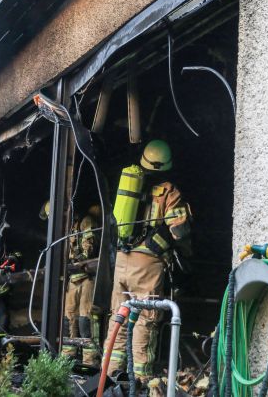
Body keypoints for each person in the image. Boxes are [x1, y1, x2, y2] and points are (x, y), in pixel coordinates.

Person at [104, 140, 191, 381]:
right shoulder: (168, 190)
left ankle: (108, 377)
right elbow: (179, 230)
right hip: (147, 264)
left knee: (118, 317)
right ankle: (141, 382)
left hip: (122, 260)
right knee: (145, 319)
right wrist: (185, 252)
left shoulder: (129, 184)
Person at [61, 204, 101, 366]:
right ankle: (67, 359)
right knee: (68, 318)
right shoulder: (68, 228)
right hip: (72, 279)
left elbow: (89, 249)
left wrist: (77, 259)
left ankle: (89, 361)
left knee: (86, 319)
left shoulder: (86, 222)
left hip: (87, 278)